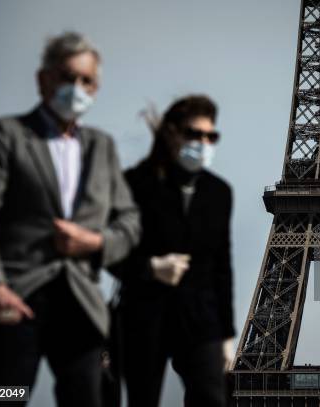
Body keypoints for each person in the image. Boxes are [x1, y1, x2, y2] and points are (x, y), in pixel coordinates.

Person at [0, 31, 140, 406]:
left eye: (86, 80)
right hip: (15, 296)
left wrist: (94, 242)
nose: (76, 87)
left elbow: (130, 223)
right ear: (43, 80)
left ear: (96, 87)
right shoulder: (6, 134)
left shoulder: (102, 146)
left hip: (81, 304)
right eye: (67, 77)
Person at [111, 95, 235, 407]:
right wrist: (151, 268)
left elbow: (222, 265)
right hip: (145, 313)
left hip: (201, 318)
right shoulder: (135, 184)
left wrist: (227, 335)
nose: (204, 143)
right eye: (195, 134)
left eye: (211, 136)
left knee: (211, 399)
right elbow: (110, 252)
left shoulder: (218, 192)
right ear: (171, 132)